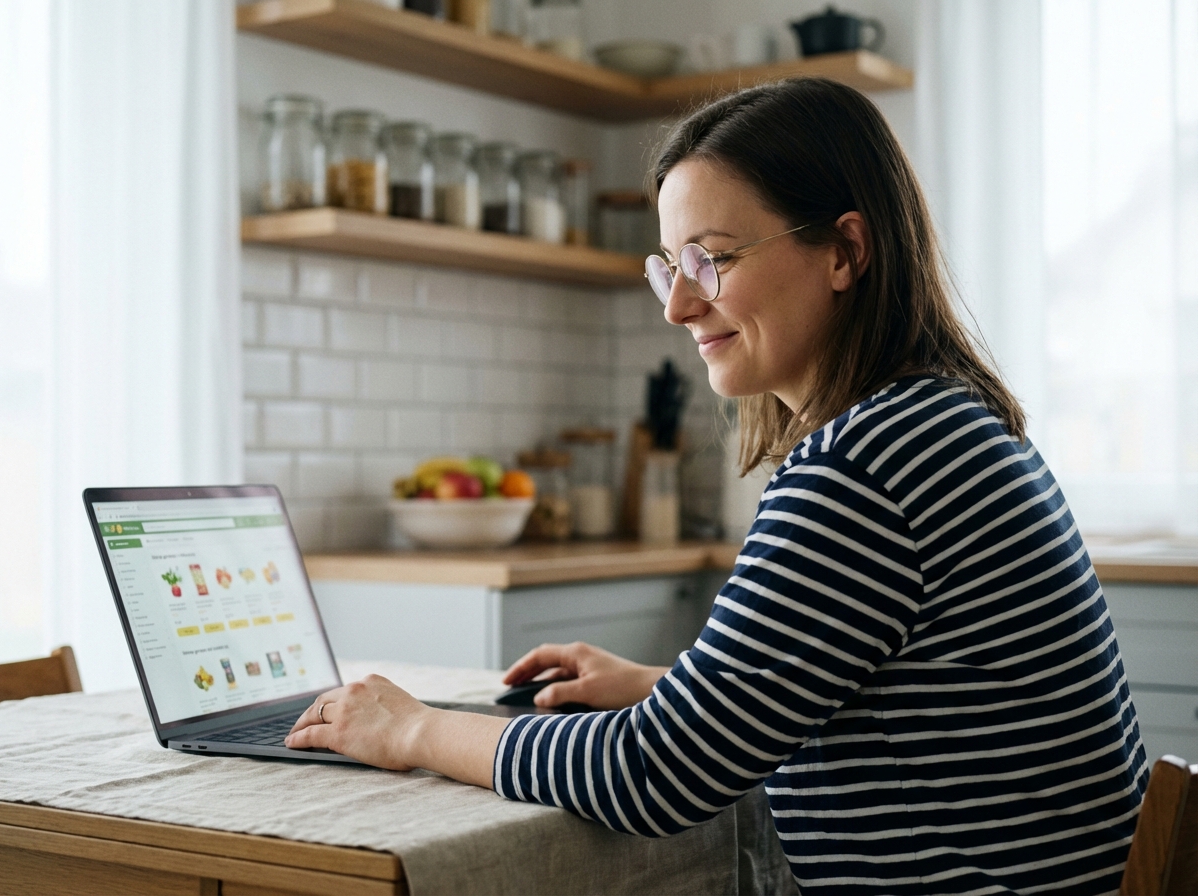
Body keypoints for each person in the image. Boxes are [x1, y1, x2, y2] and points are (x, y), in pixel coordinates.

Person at [287, 78, 1147, 894]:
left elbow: (654, 772)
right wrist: (665, 685)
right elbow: (895, 697)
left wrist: (413, 728)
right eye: (670, 267)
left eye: (713, 260)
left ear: (845, 251)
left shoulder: (864, 468)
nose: (677, 307)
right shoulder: (940, 421)